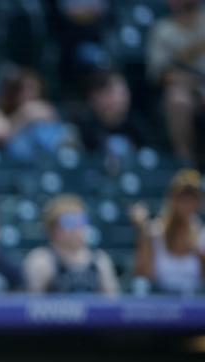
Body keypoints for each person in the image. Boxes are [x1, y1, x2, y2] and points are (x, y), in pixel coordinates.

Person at [24, 194, 119, 295]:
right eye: (69, 222)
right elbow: (31, 305)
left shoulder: (100, 260)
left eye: (82, 220)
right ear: (53, 229)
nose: (77, 228)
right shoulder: (42, 260)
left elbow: (113, 304)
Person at [147, 0, 205, 163]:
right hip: (182, 85)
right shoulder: (163, 29)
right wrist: (193, 82)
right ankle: (184, 161)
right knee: (178, 99)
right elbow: (160, 73)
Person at [131, 169, 205, 295]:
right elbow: (143, 276)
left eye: (192, 199)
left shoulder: (201, 237)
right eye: (182, 198)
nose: (187, 204)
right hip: (160, 307)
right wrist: (143, 233)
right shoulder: (153, 233)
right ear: (172, 200)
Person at [0, 67, 68, 163]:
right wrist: (24, 115)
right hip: (9, 167)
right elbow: (1, 138)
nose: (27, 93)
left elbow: (62, 141)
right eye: (22, 89)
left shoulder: (46, 110)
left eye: (32, 88)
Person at [77, 70, 150, 155]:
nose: (119, 99)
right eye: (110, 92)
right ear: (93, 96)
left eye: (123, 92)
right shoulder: (83, 127)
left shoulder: (138, 126)